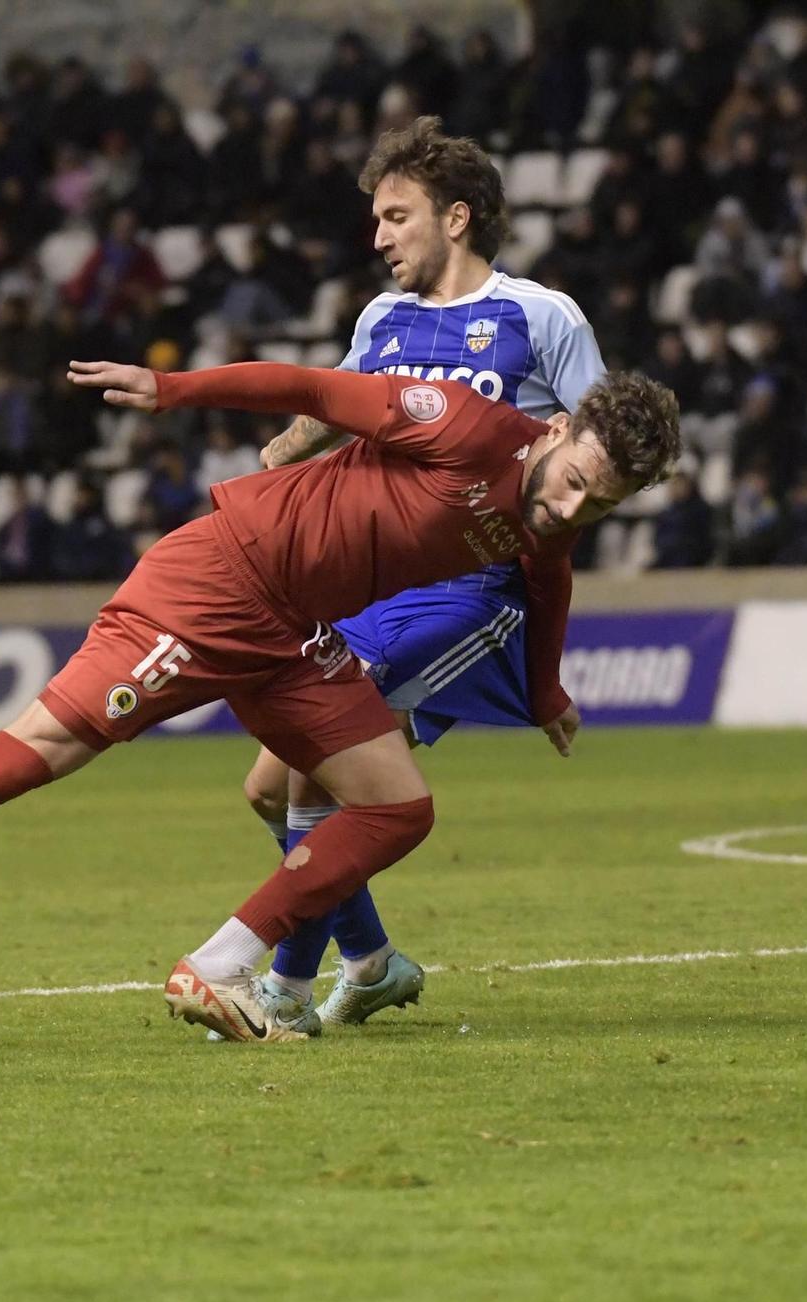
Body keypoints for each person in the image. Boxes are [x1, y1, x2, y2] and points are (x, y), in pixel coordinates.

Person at [0, 357, 681, 1043]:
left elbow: (549, 576)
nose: (569, 510)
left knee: (398, 805)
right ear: (556, 430)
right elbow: (315, 391)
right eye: (571, 485)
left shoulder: (554, 514)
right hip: (217, 581)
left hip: (295, 632)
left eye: (599, 504)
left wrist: (547, 689)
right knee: (34, 755)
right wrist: (174, 389)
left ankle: (219, 967)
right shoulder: (466, 425)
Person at [238, 116, 606, 1028]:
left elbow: (604, 449)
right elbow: (338, 405)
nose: (378, 237)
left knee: (322, 769)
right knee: (266, 787)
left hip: (472, 589)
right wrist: (273, 465)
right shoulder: (382, 319)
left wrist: (546, 547)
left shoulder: (542, 317)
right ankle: (367, 960)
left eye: (395, 216)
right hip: (371, 581)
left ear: (456, 217)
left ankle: (280, 992)